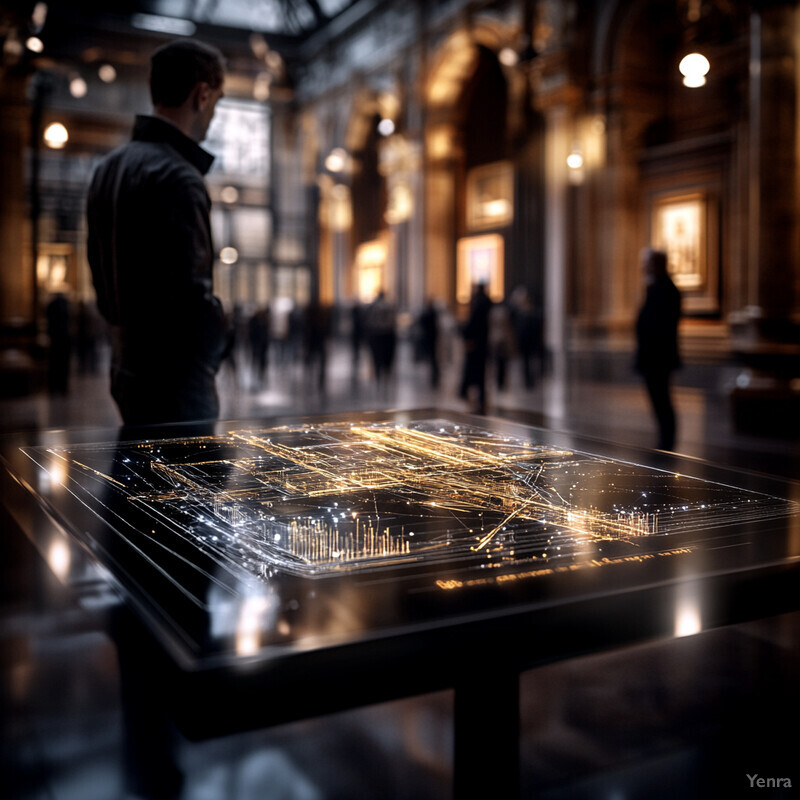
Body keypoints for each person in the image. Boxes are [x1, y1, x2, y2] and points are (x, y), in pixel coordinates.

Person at [87, 39, 229, 427]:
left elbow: (98, 275)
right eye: (216, 102)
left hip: (125, 369)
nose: (214, 115)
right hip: (178, 379)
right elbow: (193, 296)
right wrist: (220, 337)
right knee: (185, 484)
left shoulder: (107, 169)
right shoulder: (180, 177)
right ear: (201, 95)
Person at [635, 247, 681, 450]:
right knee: (658, 399)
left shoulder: (666, 289)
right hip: (652, 357)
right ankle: (664, 438)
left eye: (647, 263)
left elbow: (660, 326)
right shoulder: (655, 287)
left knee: (662, 399)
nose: (643, 268)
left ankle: (667, 440)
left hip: (658, 357)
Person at [459, 283, 492, 414]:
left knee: (475, 372)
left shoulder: (479, 304)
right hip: (483, 344)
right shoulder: (488, 304)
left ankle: (471, 396)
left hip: (477, 345)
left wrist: (467, 336)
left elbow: (473, 325)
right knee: (481, 374)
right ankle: (480, 399)